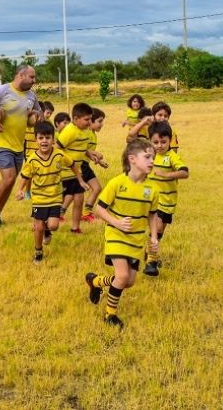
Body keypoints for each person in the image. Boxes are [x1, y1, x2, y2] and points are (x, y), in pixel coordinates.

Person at [85, 139, 159, 328]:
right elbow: (98, 209)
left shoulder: (152, 189)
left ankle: (96, 282)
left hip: (136, 239)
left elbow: (152, 214)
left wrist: (154, 237)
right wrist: (117, 222)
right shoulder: (117, 183)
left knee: (128, 281)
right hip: (116, 235)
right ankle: (110, 315)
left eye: (153, 157)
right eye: (148, 157)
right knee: (123, 276)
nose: (152, 161)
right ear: (132, 159)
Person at [0, 65, 41, 228]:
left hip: (19, 145)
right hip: (1, 143)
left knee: (10, 182)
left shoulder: (32, 96)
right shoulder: (3, 90)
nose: (34, 80)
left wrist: (34, 117)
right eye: (32, 77)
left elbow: (38, 112)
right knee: (9, 177)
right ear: (20, 75)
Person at [16, 120, 86, 264]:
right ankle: (38, 251)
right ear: (36, 140)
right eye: (41, 138)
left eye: (48, 138)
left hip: (55, 197)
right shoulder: (32, 159)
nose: (44, 141)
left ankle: (47, 231)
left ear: (53, 139)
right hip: (39, 199)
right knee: (38, 227)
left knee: (53, 225)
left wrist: (80, 180)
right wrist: (20, 190)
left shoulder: (59, 155)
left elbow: (72, 164)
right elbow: (25, 176)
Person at [142, 121, 189, 277]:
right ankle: (151, 262)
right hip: (151, 200)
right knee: (157, 229)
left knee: (159, 231)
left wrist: (167, 174)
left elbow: (184, 172)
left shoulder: (171, 157)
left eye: (164, 142)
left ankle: (148, 254)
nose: (160, 145)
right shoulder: (148, 157)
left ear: (170, 141)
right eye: (155, 142)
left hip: (168, 202)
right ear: (150, 141)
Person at [57, 103, 95, 233]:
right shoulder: (69, 131)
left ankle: (75, 228)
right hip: (64, 173)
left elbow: (82, 148)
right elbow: (57, 148)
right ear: (76, 118)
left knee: (79, 199)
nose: (89, 122)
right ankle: (41, 222)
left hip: (76, 173)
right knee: (56, 201)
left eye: (90, 119)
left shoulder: (85, 132)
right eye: (86, 119)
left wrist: (91, 154)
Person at [81, 107, 109, 223]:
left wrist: (100, 161)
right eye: (100, 121)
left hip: (85, 165)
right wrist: (95, 153)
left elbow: (89, 154)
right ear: (90, 121)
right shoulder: (85, 133)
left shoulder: (93, 135)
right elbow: (80, 148)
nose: (102, 124)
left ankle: (86, 213)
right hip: (79, 166)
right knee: (72, 193)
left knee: (97, 188)